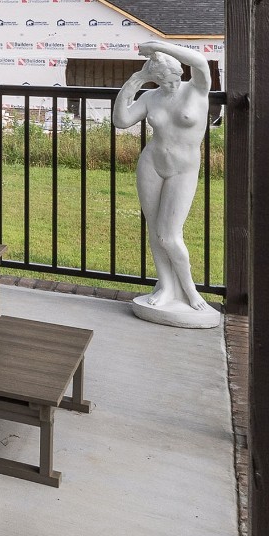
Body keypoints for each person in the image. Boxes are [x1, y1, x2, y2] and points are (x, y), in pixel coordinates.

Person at [112, 39, 219, 327]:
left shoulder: (196, 89)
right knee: (154, 229)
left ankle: (190, 290)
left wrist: (159, 46)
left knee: (169, 235)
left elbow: (200, 61)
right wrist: (135, 81)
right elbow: (121, 120)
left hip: (183, 169)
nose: (169, 84)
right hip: (152, 164)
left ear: (180, 72)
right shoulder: (151, 97)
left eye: (172, 77)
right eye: (161, 80)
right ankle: (167, 287)